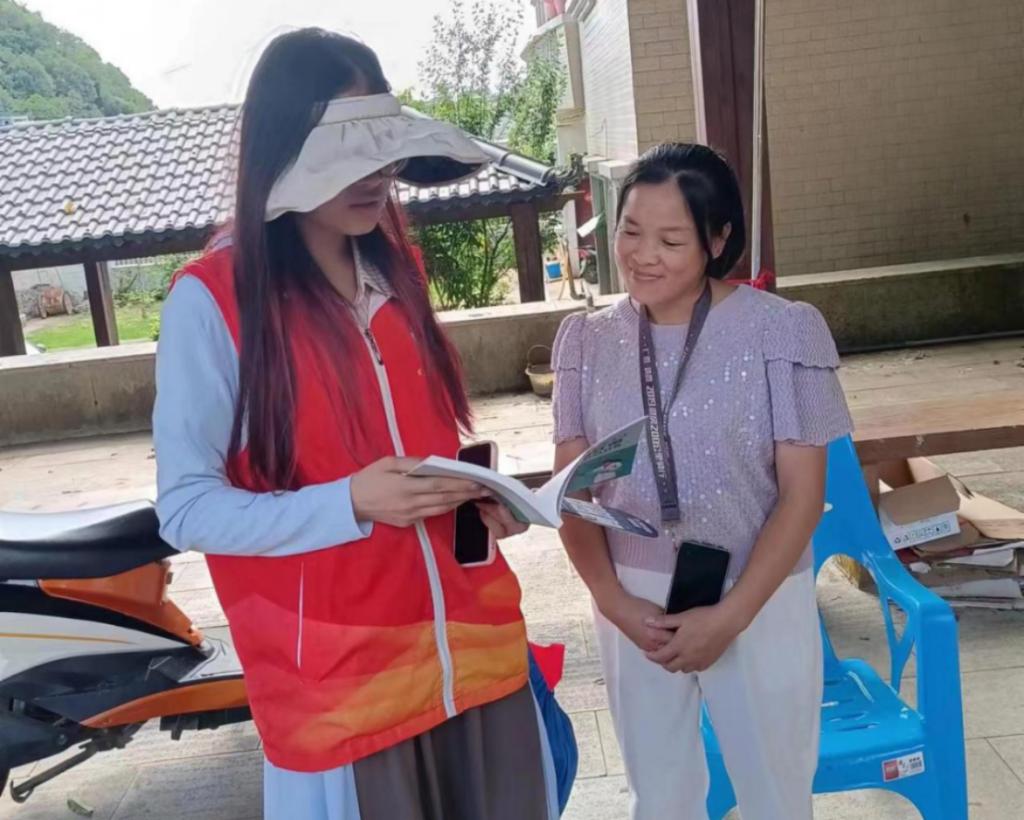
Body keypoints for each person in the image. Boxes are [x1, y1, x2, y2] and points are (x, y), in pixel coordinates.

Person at [154, 28, 561, 820]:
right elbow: (186, 507)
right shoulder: (213, 301)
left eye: (384, 152)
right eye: (349, 154)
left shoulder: (394, 274)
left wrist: (479, 503)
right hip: (342, 693)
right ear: (282, 148)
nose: (376, 177)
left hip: (476, 655)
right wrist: (348, 502)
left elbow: (419, 455)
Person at [551, 142, 853, 820]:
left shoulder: (782, 332)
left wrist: (731, 616)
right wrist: (613, 601)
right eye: (631, 231)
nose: (642, 255)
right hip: (634, 601)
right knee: (660, 798)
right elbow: (572, 493)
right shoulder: (586, 342)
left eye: (670, 240)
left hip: (757, 591)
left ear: (718, 241)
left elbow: (802, 497)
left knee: (776, 797)